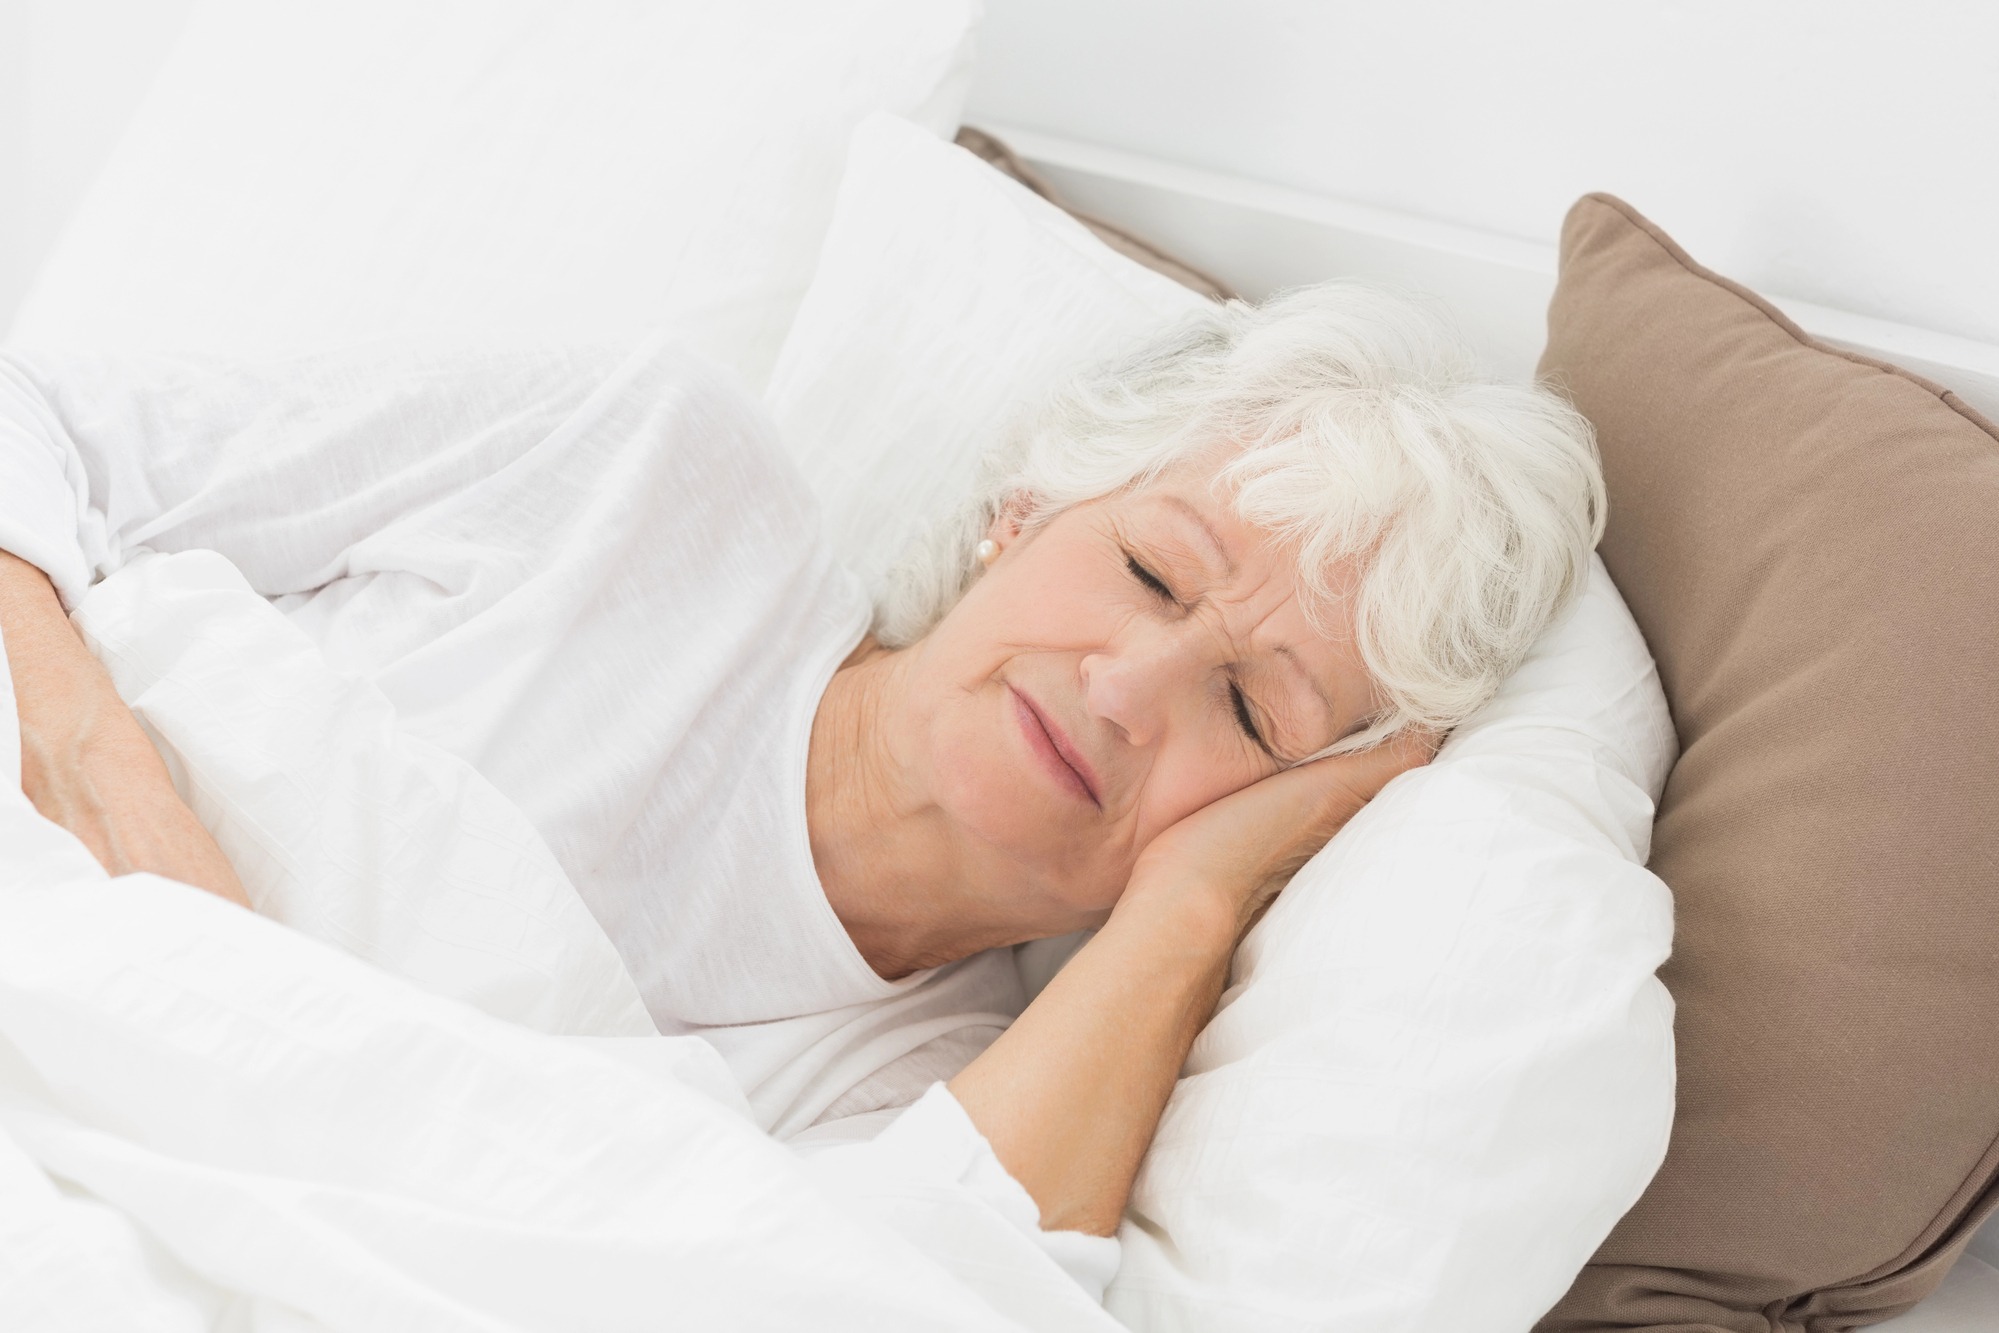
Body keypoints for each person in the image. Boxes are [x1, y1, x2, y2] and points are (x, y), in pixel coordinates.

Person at [0, 284, 1601, 1258]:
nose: (1127, 689)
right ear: (1025, 510)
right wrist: (102, 762)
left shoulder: (919, 1095)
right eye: (1152, 574)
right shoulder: (646, 467)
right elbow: (39, 431)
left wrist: (1188, 909)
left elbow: (925, 1294)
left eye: (1251, 714)